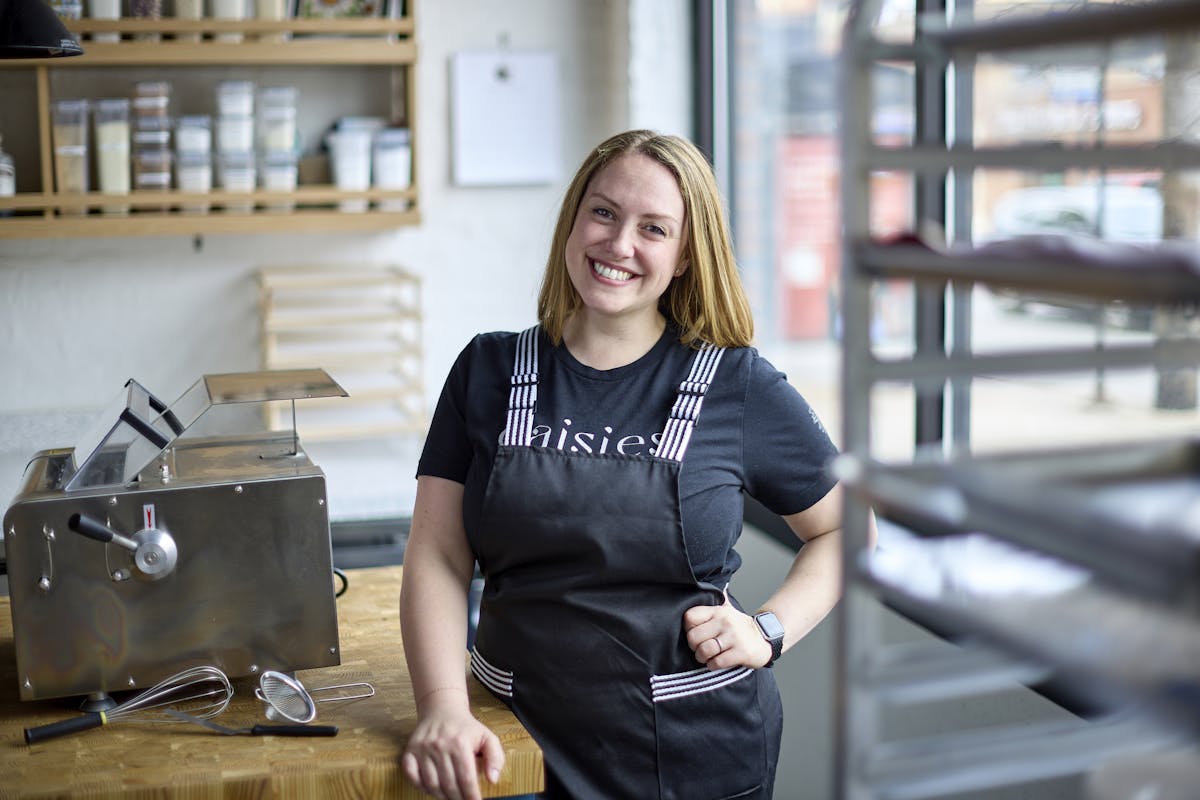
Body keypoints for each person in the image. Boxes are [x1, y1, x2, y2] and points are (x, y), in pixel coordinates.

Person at [399, 129, 859, 800]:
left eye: (653, 228)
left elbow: (849, 529)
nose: (618, 245)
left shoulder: (738, 386)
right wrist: (442, 707)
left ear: (682, 258)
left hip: (693, 755)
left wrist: (767, 630)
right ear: (574, 220)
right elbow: (438, 553)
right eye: (604, 212)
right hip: (509, 744)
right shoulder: (487, 370)